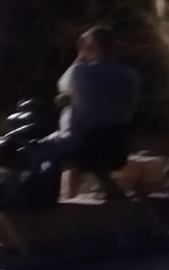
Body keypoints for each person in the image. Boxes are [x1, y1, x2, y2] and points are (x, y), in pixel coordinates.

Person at [37, 25, 141, 200]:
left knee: (37, 148)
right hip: (117, 145)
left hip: (83, 143)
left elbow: (62, 85)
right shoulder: (130, 75)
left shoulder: (80, 73)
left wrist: (80, 56)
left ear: (89, 48)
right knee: (79, 145)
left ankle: (44, 198)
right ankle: (80, 194)